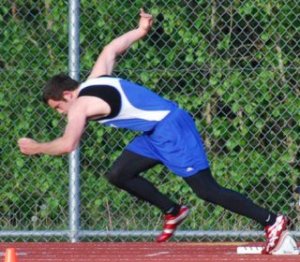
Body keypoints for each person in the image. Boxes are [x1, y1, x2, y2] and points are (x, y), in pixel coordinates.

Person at [18, 9, 289, 254]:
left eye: (57, 107)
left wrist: (37, 147)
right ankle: (173, 210)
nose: (61, 113)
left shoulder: (79, 105)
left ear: (67, 94)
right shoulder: (95, 79)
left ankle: (271, 220)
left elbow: (68, 144)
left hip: (170, 128)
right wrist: (140, 30)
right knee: (118, 174)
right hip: (153, 134)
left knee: (207, 190)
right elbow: (111, 49)